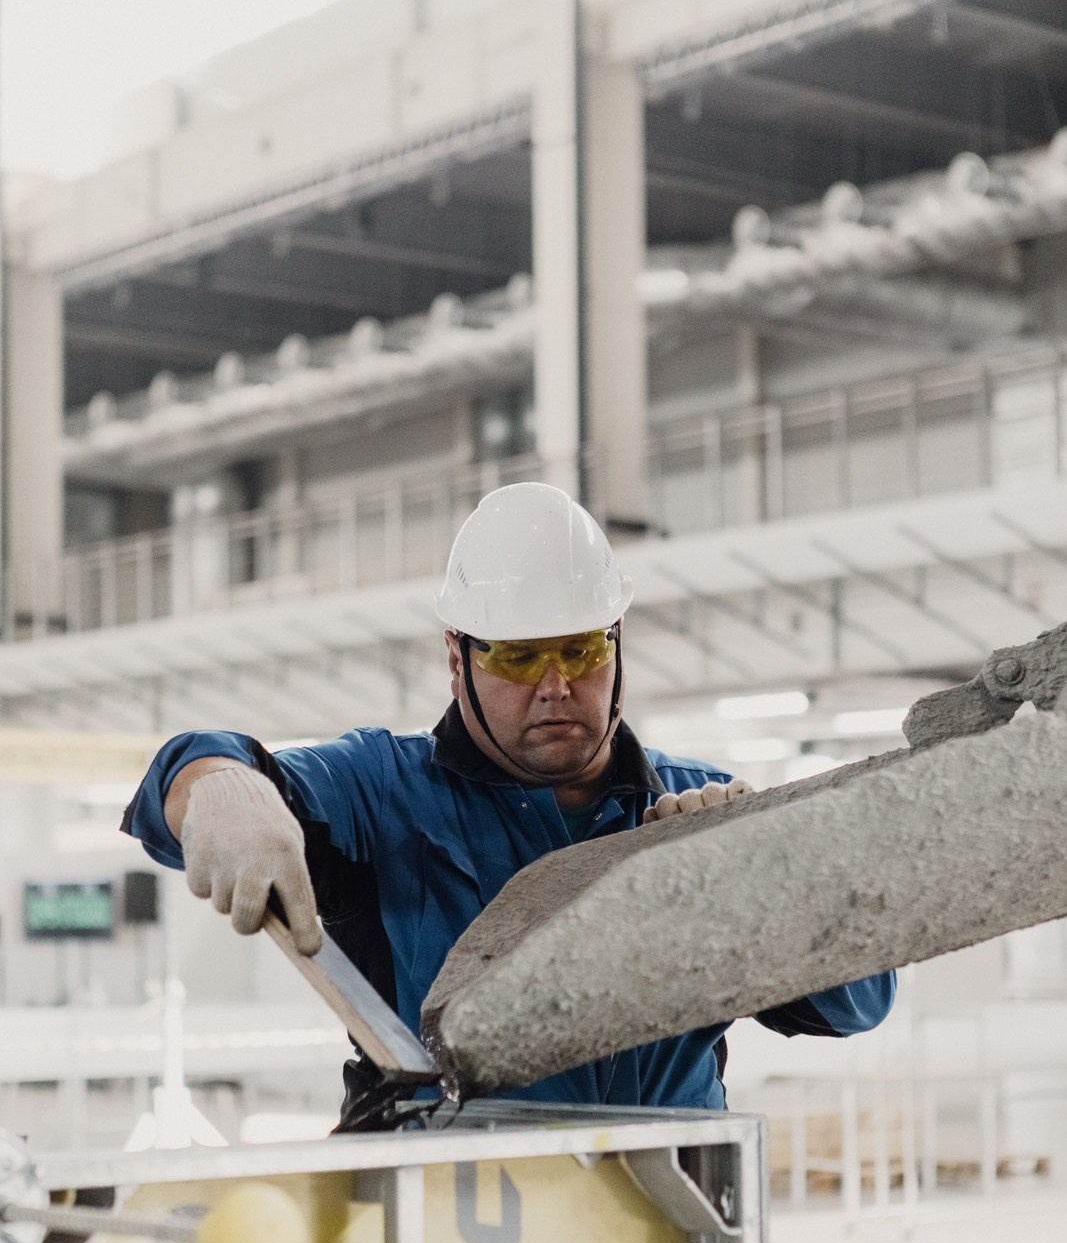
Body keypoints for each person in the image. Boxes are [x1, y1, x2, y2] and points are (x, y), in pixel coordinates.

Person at [123, 482, 894, 1124]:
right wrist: (218, 782)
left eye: (581, 650)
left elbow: (856, 1005)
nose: (555, 684)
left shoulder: (694, 805)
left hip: (668, 1220)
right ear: (457, 660)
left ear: (617, 644)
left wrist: (769, 887)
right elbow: (182, 788)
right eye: (520, 657)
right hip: (452, 1223)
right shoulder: (381, 792)